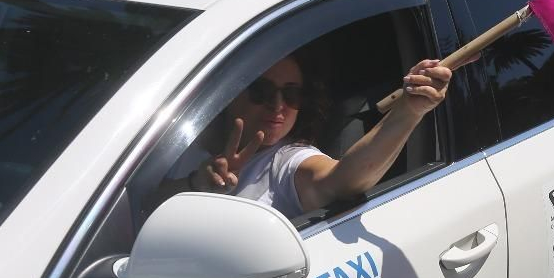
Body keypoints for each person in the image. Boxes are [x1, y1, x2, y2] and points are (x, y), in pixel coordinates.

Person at [168, 54, 452, 219]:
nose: (277, 105)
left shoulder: (288, 161)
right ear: (228, 96)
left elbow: (343, 180)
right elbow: (140, 206)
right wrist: (196, 183)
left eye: (292, 94)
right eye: (262, 91)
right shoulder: (180, 139)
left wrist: (410, 111)